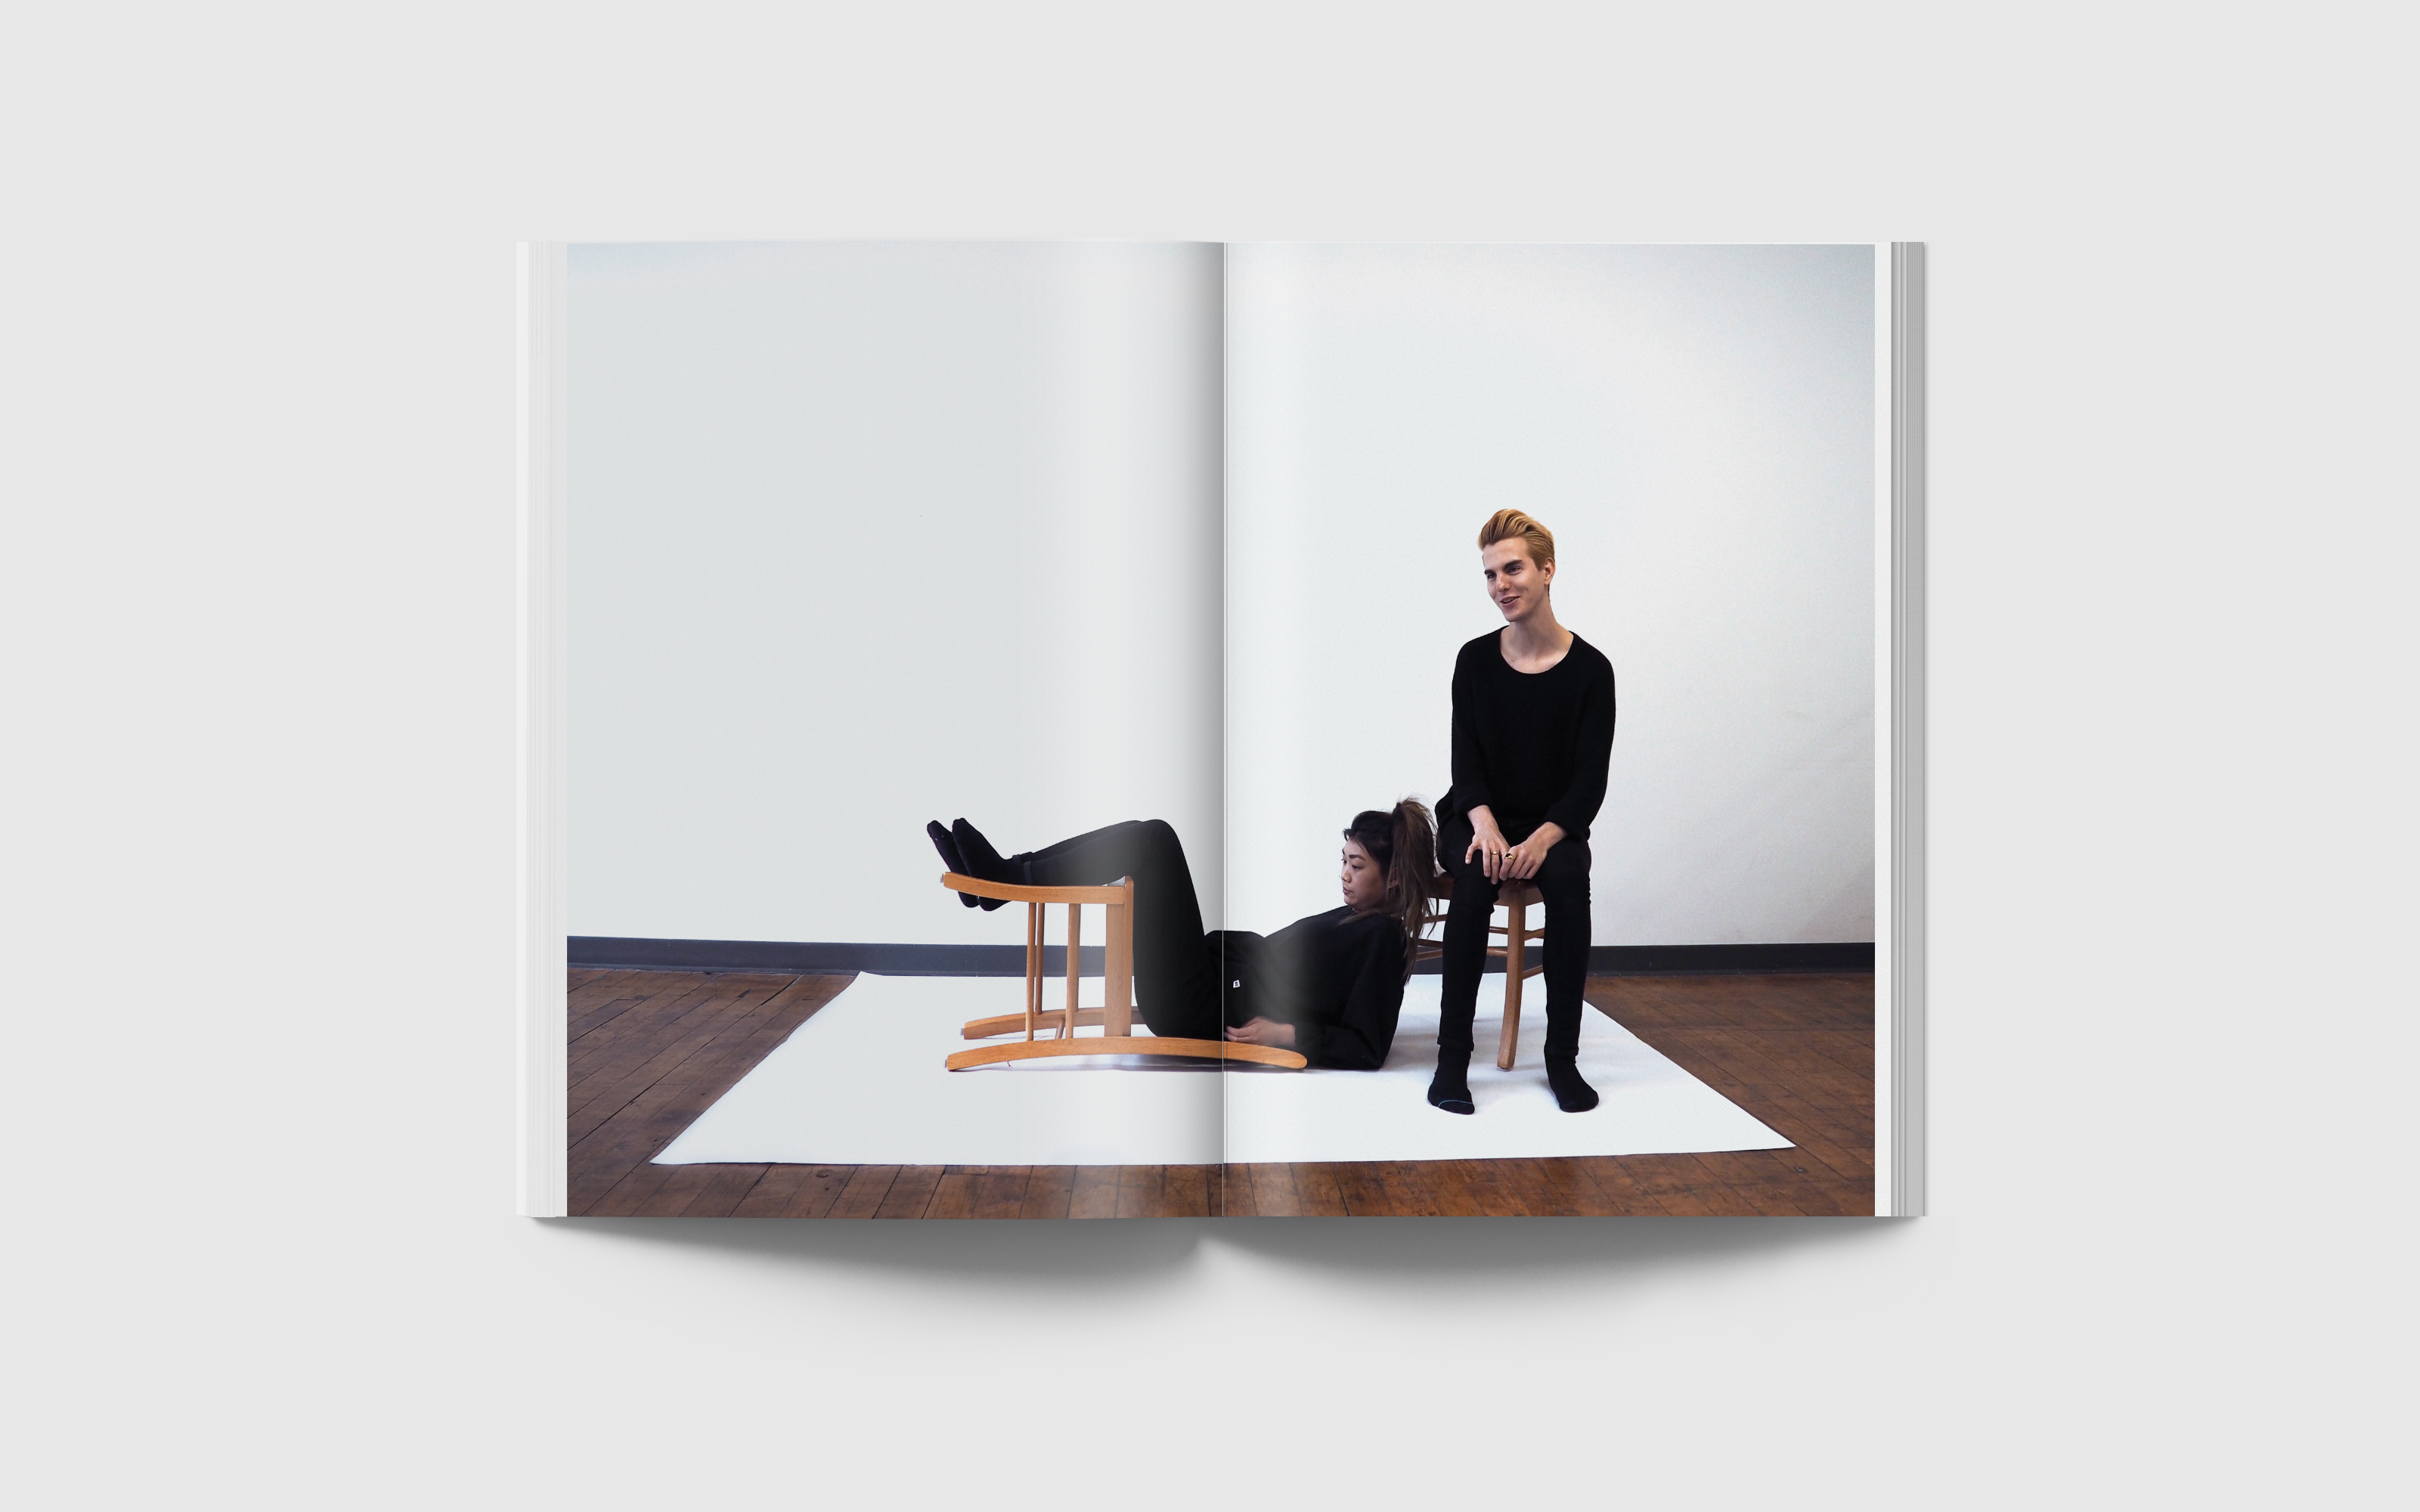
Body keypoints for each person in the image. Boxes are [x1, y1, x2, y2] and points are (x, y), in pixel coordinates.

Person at [925, 803, 1438, 1070]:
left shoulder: (1382, 939)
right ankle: (1007, 874)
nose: (1344, 875)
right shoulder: (1361, 919)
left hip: (1201, 1003)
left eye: (1357, 865)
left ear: (1393, 877)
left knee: (1154, 839)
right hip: (1207, 980)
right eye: (1343, 861)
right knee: (1143, 831)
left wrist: (1286, 1034)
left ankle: (1006, 880)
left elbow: (1367, 1046)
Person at [1429, 509, 1616, 1115]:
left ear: (1547, 570)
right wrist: (1484, 826)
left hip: (1552, 824)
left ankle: (1561, 1059)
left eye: (1512, 569)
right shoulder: (1474, 660)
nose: (1499, 585)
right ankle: (1451, 1060)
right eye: (1489, 574)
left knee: (1568, 880)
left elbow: (1589, 780)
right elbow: (1465, 764)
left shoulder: (1591, 672)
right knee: (1474, 873)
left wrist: (1541, 840)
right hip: (1476, 814)